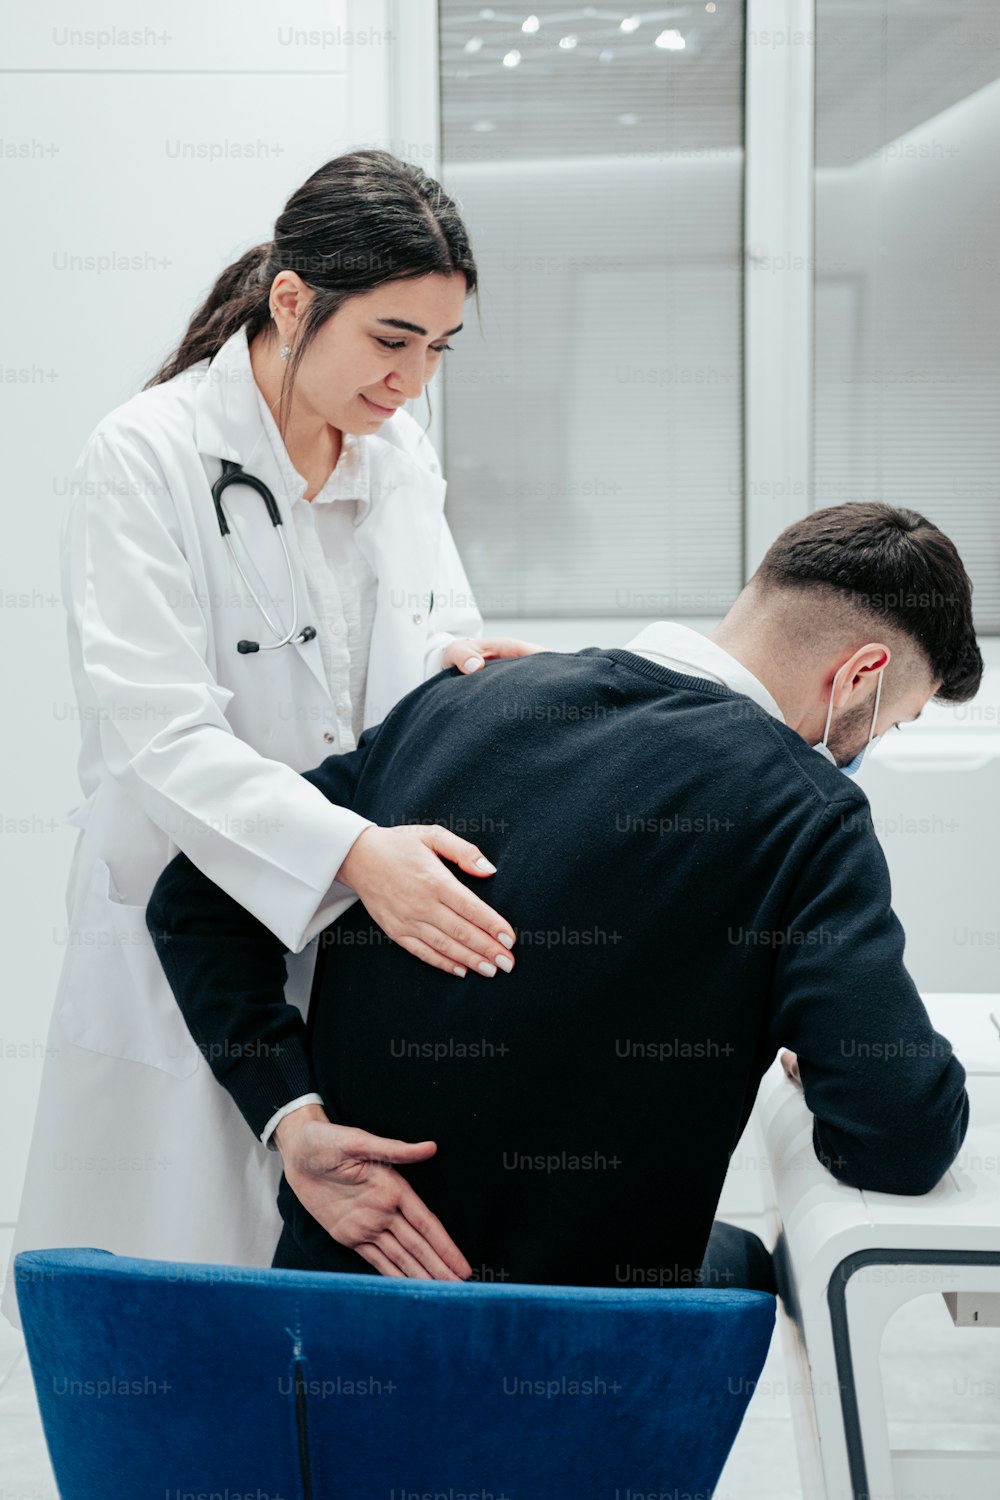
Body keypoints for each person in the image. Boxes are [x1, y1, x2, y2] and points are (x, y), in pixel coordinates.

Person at [143, 503, 980, 1289]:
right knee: (749, 1270)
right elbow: (898, 1138)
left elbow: (193, 899)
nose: (868, 747)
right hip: (580, 1350)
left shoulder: (453, 700)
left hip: (326, 1308)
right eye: (889, 722)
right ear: (862, 674)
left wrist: (292, 1118)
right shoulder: (809, 813)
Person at [3, 150, 543, 1330]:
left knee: (319, 1307)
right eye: (391, 340)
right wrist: (353, 851)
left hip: (350, 942)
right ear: (293, 302)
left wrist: (468, 674)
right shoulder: (145, 454)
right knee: (178, 1303)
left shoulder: (395, 455)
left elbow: (433, 630)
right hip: (181, 929)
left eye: (437, 350)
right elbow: (162, 733)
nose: (411, 381)